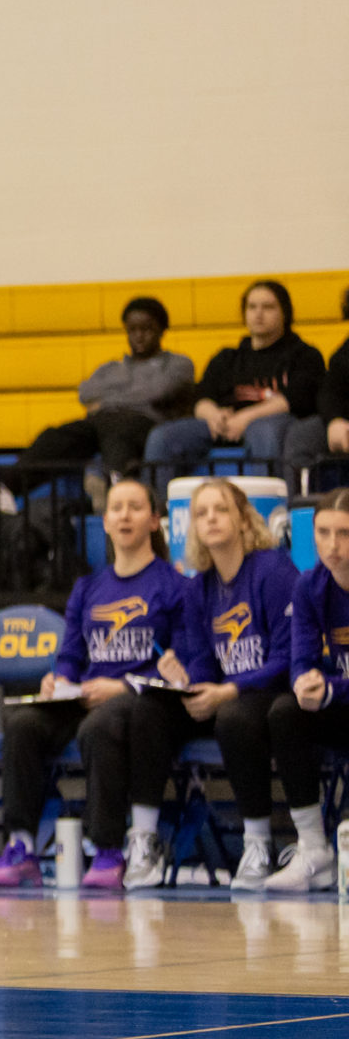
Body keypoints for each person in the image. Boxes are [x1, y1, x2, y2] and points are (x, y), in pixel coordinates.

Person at [0, 479, 192, 890]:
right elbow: (72, 656)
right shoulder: (88, 587)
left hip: (139, 702)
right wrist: (58, 680)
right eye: (116, 508)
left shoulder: (173, 585)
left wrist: (126, 687)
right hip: (87, 696)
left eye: (134, 507)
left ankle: (108, 849)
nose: (125, 515)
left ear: (153, 521)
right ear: (106, 522)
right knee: (22, 724)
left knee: (101, 726)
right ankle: (21, 846)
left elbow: (181, 664)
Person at [136, 475, 300, 890]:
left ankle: (258, 843)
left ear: (244, 519)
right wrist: (187, 681)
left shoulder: (273, 569)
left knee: (232, 717)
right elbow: (206, 664)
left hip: (270, 696)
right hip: (226, 697)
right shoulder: (198, 588)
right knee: (150, 711)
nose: (211, 519)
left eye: (221, 510)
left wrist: (225, 691)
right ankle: (144, 840)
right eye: (201, 513)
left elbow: (286, 658)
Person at [0, 298, 195, 515]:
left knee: (119, 430)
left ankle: (112, 490)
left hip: (145, 424)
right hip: (101, 422)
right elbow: (86, 393)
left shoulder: (178, 364)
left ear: (162, 329)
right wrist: (123, 398)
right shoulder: (110, 368)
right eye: (132, 329)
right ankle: (1, 487)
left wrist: (109, 399)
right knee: (57, 435)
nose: (139, 336)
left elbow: (158, 391)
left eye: (146, 328)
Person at [144, 281, 323, 472]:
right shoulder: (226, 357)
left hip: (275, 423)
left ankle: (268, 501)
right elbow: (202, 397)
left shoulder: (305, 355)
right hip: (222, 424)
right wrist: (213, 415)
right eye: (252, 307)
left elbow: (296, 399)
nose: (258, 313)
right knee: (162, 437)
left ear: (285, 313)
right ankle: (157, 501)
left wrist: (246, 418)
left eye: (268, 307)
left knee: (264, 431)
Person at [265, 489, 349, 891]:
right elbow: (302, 657)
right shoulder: (310, 586)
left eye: (345, 534)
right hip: (341, 701)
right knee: (285, 712)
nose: (333, 545)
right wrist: (304, 683)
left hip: (343, 696)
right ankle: (314, 848)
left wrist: (329, 689)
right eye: (324, 532)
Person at [288, 290, 349, 483]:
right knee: (303, 434)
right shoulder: (344, 353)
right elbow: (329, 391)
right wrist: (335, 420)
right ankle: (299, 506)